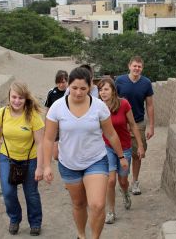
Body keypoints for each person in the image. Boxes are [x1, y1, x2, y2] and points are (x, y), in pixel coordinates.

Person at [43, 67, 128, 239]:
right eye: (74, 88)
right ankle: (81, 235)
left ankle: (94, 237)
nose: (78, 92)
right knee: (79, 203)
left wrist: (121, 157)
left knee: (97, 204)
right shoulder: (57, 108)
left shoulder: (99, 107)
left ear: (90, 87)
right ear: (68, 86)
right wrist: (46, 166)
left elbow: (111, 133)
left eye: (83, 88)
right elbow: (48, 138)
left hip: (95, 160)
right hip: (69, 163)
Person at [0, 82, 44, 236]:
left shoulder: (33, 116)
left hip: (30, 159)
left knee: (31, 193)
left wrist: (40, 167)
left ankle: (35, 222)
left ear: (26, 99)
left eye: (21, 98)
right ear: (9, 97)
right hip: (8, 157)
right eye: (14, 97)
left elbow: (40, 143)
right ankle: (14, 219)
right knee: (8, 192)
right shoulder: (2, 113)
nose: (17, 101)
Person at [98, 78, 145, 224]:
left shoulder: (123, 103)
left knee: (123, 180)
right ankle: (111, 211)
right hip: (107, 147)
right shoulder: (97, 106)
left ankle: (125, 192)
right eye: (100, 90)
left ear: (113, 90)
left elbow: (133, 124)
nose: (103, 92)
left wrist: (140, 145)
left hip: (124, 147)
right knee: (110, 181)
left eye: (106, 89)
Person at [115, 56, 154, 195]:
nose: (137, 68)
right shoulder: (119, 81)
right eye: (135, 66)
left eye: (139, 66)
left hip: (138, 122)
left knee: (138, 153)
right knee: (124, 154)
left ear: (142, 68)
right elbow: (114, 101)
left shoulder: (146, 83)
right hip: (121, 124)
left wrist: (151, 126)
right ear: (129, 66)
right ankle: (123, 181)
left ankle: (135, 182)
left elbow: (149, 105)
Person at [44, 70, 69, 160]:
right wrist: (46, 124)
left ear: (67, 81)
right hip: (56, 125)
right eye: (59, 82)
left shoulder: (71, 92)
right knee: (55, 155)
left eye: (63, 82)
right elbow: (47, 108)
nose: (61, 85)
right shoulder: (52, 92)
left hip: (68, 124)